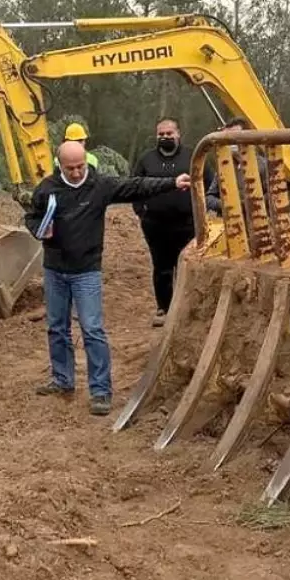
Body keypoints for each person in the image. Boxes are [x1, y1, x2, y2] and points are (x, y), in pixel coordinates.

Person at [26, 141, 190, 415]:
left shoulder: (99, 185)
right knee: (57, 327)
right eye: (71, 168)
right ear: (60, 165)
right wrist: (38, 230)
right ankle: (62, 380)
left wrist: (173, 182)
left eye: (80, 166)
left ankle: (100, 391)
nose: (78, 173)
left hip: (87, 270)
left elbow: (137, 186)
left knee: (92, 330)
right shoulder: (46, 189)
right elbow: (31, 217)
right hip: (55, 269)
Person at [131, 118, 212, 327]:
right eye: (161, 134)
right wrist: (141, 211)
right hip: (155, 225)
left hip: (187, 224)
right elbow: (135, 186)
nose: (165, 137)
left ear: (178, 134)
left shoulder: (193, 157)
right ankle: (164, 308)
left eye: (169, 134)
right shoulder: (146, 159)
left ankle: (187, 308)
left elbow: (209, 184)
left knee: (186, 266)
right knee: (162, 267)